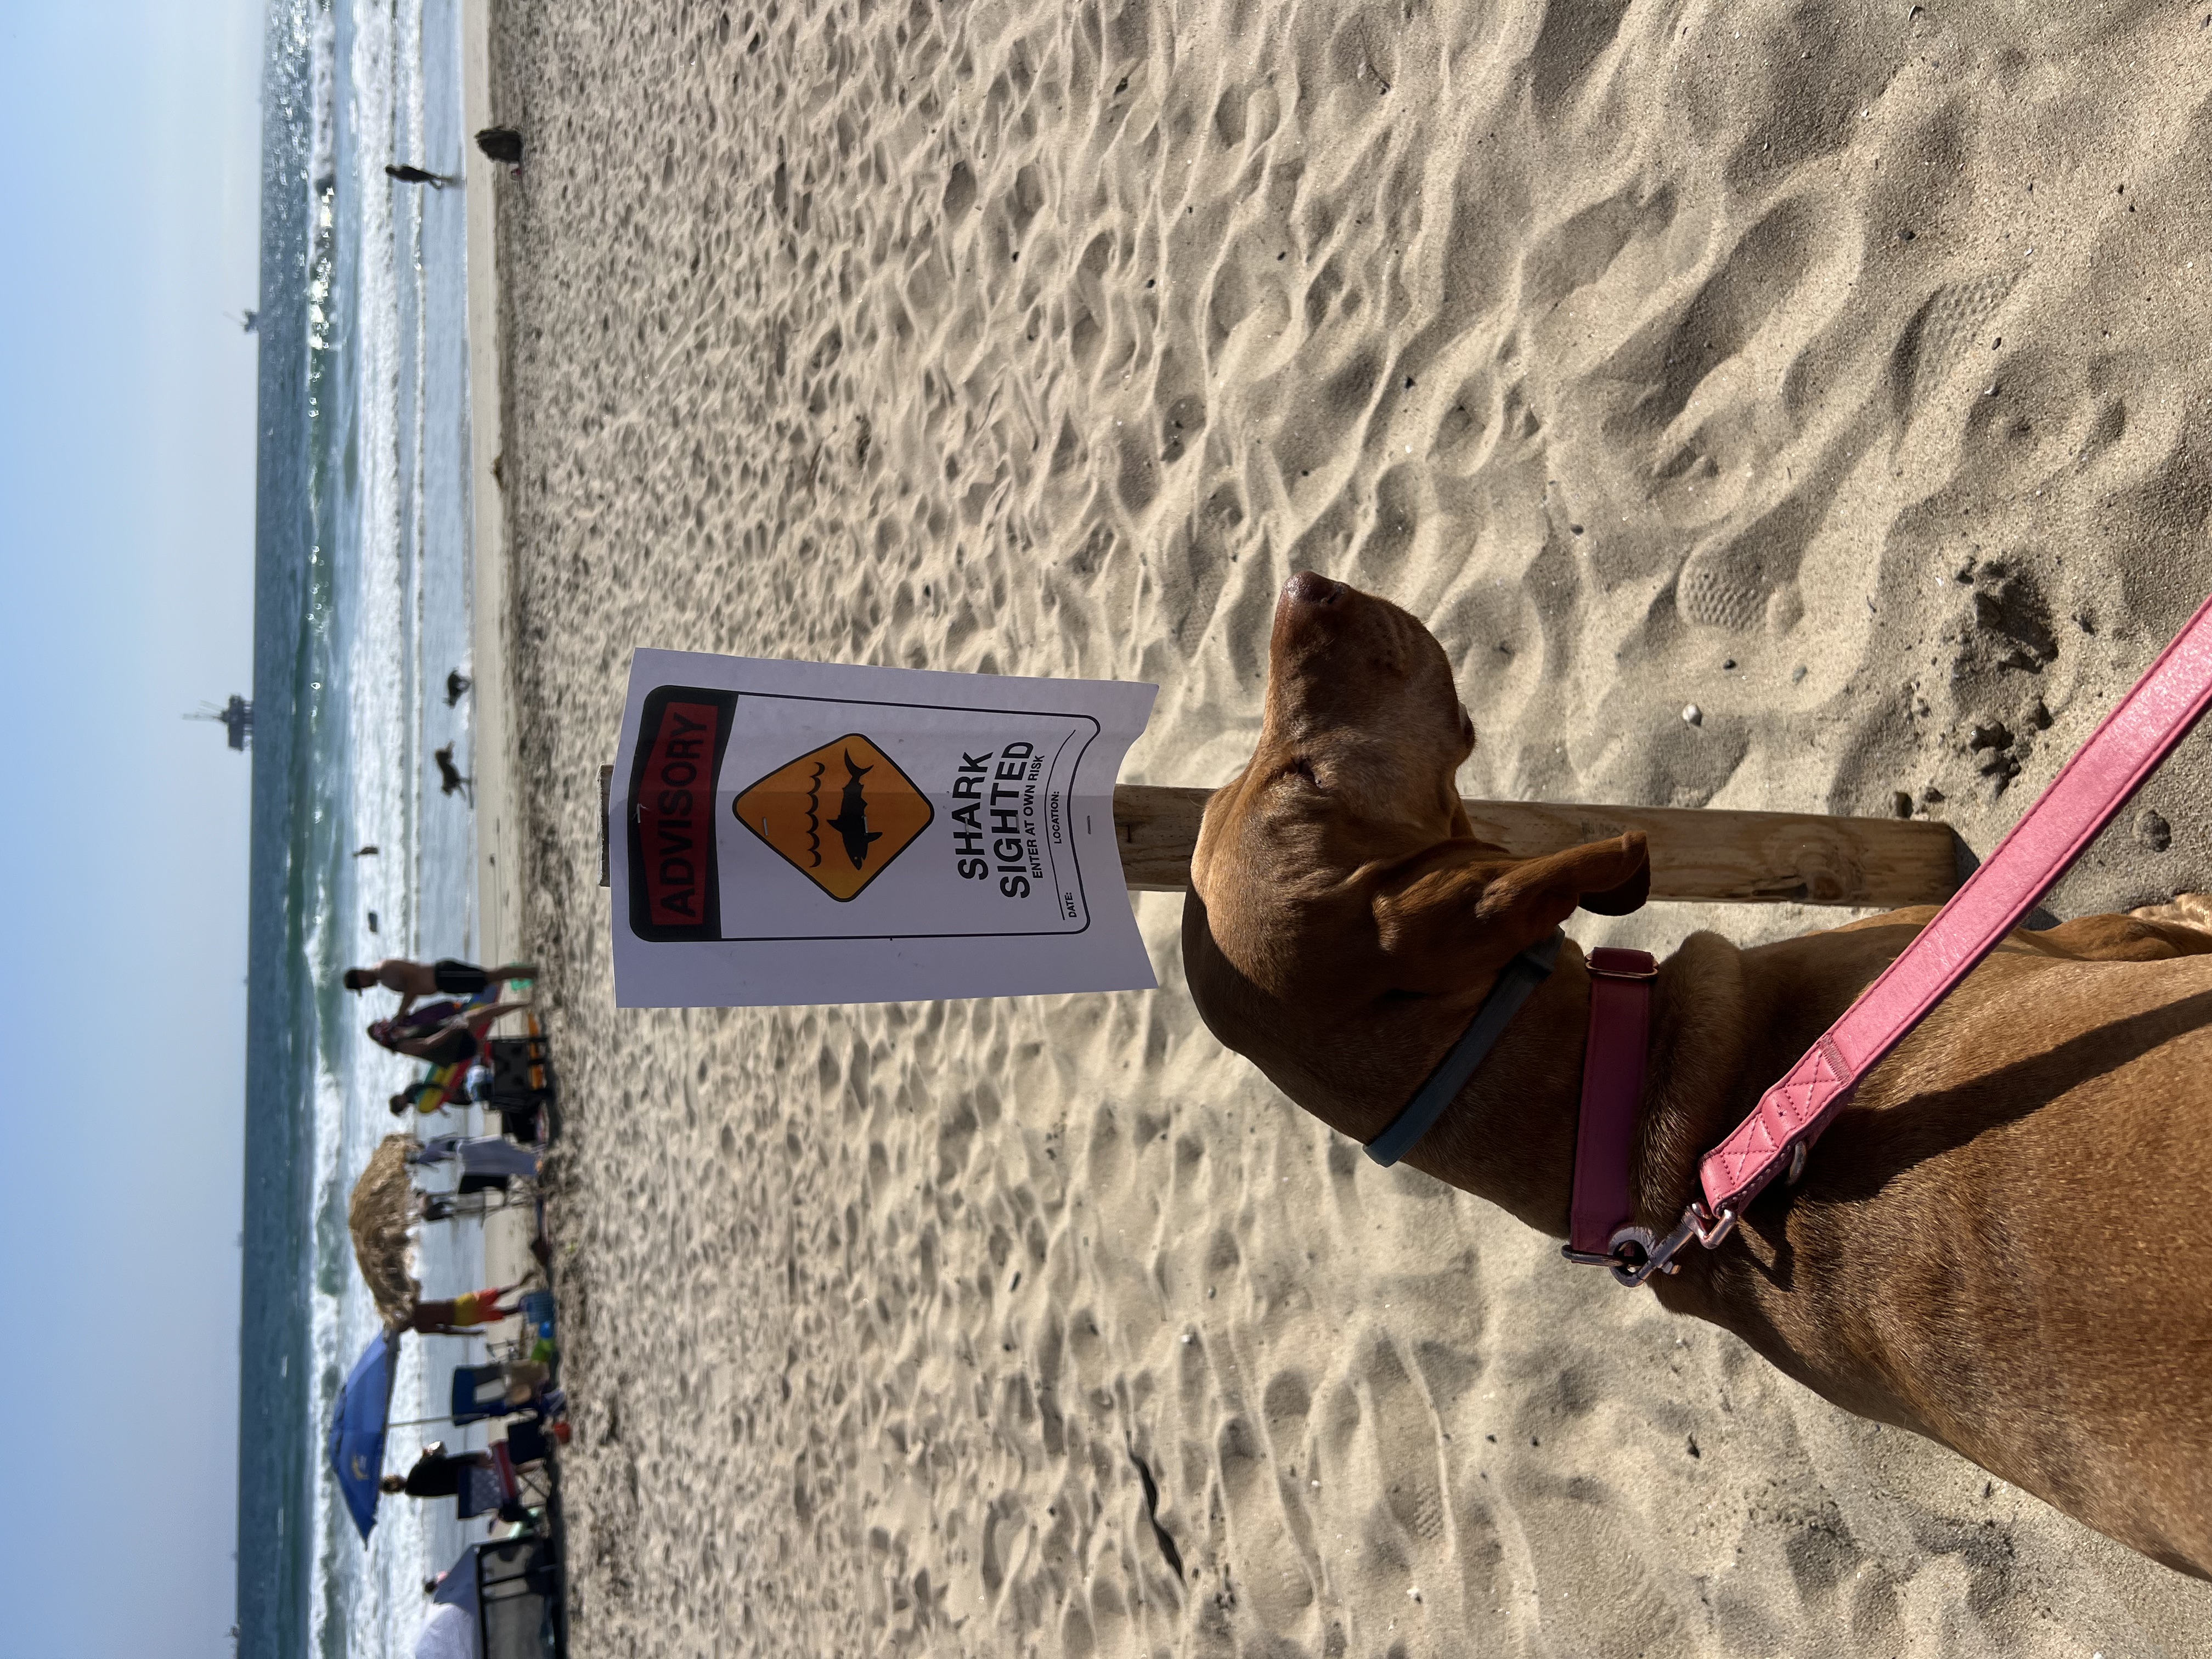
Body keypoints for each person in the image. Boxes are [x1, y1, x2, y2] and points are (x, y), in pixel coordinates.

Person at [369, 998, 530, 1065]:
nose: (385, 1021)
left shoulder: (401, 1027)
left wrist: (449, 1015)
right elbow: (427, 1044)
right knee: (488, 1048)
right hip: (452, 1050)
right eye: (382, 1024)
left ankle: (525, 1004)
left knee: (485, 1013)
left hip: (451, 1030)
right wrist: (450, 1029)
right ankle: (527, 1054)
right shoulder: (401, 1046)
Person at [343, 957, 535, 1013]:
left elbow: (413, 985)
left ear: (360, 976)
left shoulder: (385, 970)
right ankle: (525, 973)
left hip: (443, 975)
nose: (366, 988)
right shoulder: (383, 978)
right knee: (488, 980)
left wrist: (401, 1013)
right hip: (444, 983)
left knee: (490, 977)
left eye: (362, 986)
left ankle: (531, 972)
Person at [405, 1280, 530, 1336]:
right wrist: (470, 1334)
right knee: (490, 1303)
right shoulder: (414, 1307)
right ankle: (519, 1290)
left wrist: (470, 1333)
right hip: (458, 1309)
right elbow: (445, 1331)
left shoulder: (416, 1315)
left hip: (459, 1313)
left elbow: (445, 1331)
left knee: (490, 1303)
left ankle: (520, 1296)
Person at [380, 1442, 489, 1498]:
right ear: (395, 1479)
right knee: (491, 1460)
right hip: (465, 1467)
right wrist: (429, 1453)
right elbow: (440, 1452)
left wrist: (425, 1459)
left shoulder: (414, 1492)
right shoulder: (415, 1474)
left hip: (466, 1486)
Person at [383, 162, 452, 187]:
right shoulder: (401, 169)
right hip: (417, 174)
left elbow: (407, 179)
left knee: (429, 178)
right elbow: (411, 169)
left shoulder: (398, 176)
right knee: (433, 177)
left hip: (415, 179)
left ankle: (439, 186)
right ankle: (448, 180)